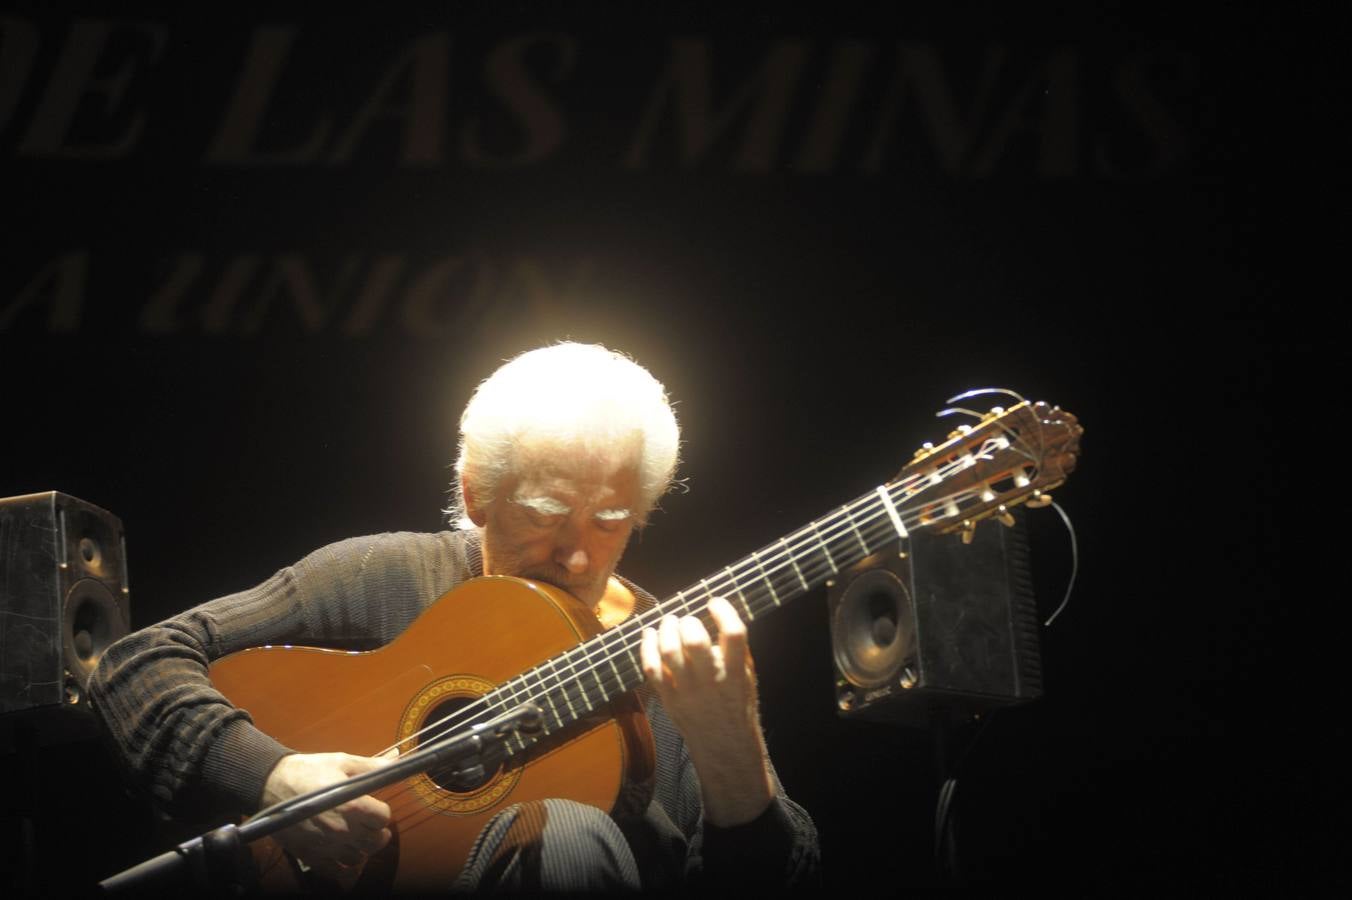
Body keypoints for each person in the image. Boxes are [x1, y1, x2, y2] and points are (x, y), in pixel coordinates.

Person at [89, 342, 818, 891]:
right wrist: (275, 777)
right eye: (544, 514)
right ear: (475, 495)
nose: (575, 554)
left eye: (611, 520)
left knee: (562, 834)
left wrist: (730, 744)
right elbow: (134, 666)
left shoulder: (674, 660)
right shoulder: (382, 578)